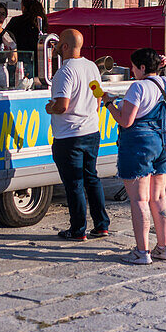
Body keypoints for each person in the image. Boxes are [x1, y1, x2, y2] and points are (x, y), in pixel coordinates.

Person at [101, 47, 166, 265]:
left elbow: (126, 121)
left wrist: (108, 104)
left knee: (140, 199)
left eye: (133, 66)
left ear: (142, 67)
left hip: (139, 143)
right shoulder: (165, 83)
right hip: (163, 141)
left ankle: (142, 252)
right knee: (159, 196)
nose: (132, 71)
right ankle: (164, 247)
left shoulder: (137, 87)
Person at [46, 28, 110, 241]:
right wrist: (91, 112)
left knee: (74, 184)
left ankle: (77, 229)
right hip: (91, 131)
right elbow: (98, 95)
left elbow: (62, 106)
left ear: (64, 46)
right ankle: (101, 225)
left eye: (57, 44)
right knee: (92, 178)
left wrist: (50, 108)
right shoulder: (91, 66)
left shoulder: (64, 72)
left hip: (68, 135)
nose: (54, 47)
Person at [6, 0, 46, 79]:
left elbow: (6, 37)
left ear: (23, 7)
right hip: (38, 60)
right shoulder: (40, 21)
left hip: (19, 59)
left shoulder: (16, 21)